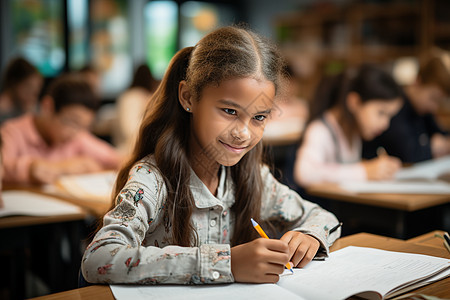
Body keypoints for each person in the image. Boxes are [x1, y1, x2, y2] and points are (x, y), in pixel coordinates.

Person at [81, 26, 340, 285]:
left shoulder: (253, 177)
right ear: (188, 97)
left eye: (259, 117)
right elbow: (98, 258)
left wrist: (310, 235)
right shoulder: (152, 179)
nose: (243, 133)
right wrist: (225, 264)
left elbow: (324, 218)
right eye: (229, 111)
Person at [293, 64, 404, 188]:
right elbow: (304, 173)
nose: (385, 124)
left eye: (390, 116)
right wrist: (364, 171)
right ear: (355, 102)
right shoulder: (320, 130)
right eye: (381, 113)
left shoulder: (354, 129)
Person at [1, 73, 121, 184]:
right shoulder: (12, 132)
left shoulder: (77, 136)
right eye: (72, 122)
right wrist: (31, 169)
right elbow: (4, 167)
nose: (75, 133)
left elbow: (115, 159)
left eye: (83, 127)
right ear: (48, 107)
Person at [363, 53, 450, 163]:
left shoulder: (422, 111)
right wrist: (432, 147)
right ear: (417, 82)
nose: (434, 107)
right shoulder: (395, 104)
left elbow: (441, 135)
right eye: (433, 98)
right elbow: (408, 155)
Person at [114, 63, 159, 154]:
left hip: (125, 149)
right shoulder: (134, 97)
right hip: (128, 151)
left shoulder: (128, 95)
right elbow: (129, 129)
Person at [0, 57, 43, 123]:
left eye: (36, 90)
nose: (32, 96)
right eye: (28, 87)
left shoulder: (32, 108)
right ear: (13, 83)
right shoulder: (4, 110)